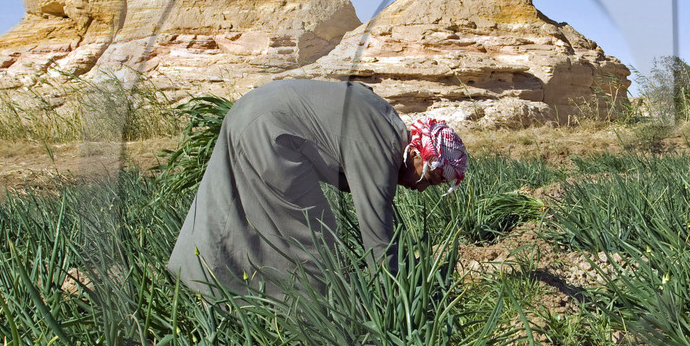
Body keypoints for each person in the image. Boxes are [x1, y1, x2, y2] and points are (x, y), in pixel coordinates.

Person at [166, 78, 467, 299]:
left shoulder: (386, 125)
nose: (421, 189)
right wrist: (395, 301)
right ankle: (312, 322)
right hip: (271, 132)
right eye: (428, 179)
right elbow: (378, 238)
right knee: (313, 241)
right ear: (417, 155)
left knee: (238, 210)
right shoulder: (379, 150)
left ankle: (199, 281)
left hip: (252, 112)